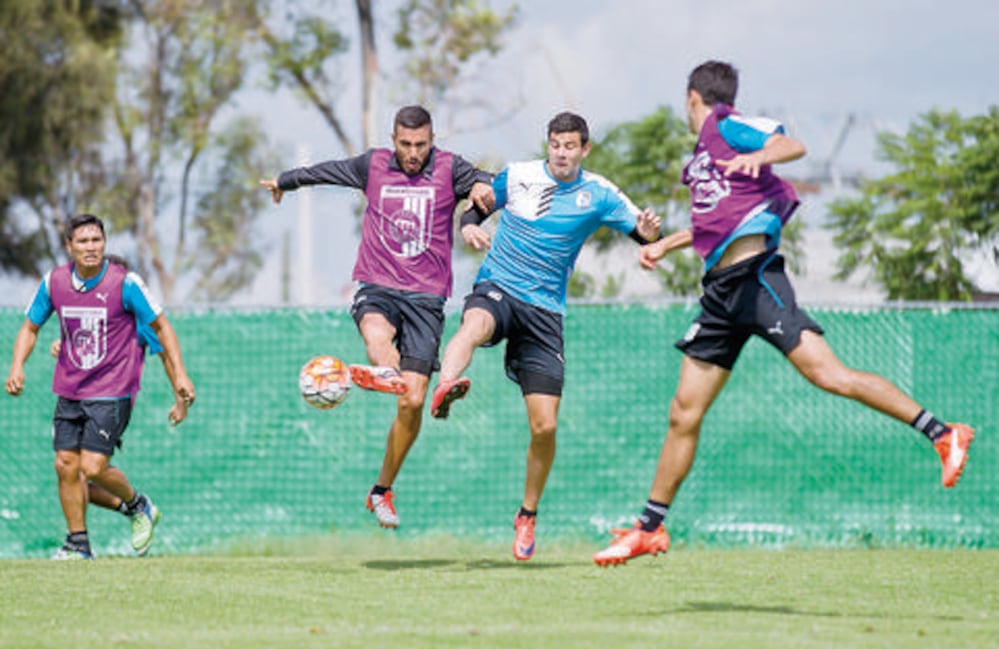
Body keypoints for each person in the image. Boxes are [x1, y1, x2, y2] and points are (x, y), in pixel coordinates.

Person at [592, 60, 975, 567]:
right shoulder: (704, 155)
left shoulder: (725, 124)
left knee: (829, 375)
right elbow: (722, 220)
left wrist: (764, 155)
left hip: (756, 281)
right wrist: (669, 244)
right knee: (683, 412)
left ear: (691, 98)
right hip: (720, 295)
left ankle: (943, 433)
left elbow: (791, 144)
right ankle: (649, 529)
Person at [428, 111, 662, 561]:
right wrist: (469, 226)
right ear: (547, 144)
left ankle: (527, 514)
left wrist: (649, 234)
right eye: (555, 144)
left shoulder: (599, 193)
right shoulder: (518, 176)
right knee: (472, 326)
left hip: (545, 313)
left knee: (546, 426)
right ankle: (446, 387)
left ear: (584, 149)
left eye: (570, 146)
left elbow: (643, 233)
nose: (561, 152)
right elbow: (474, 207)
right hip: (500, 285)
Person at [260, 105, 494, 530]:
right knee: (375, 333)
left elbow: (488, 186)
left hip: (426, 299)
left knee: (414, 402)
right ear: (393, 139)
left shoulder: (448, 168)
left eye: (420, 144)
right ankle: (385, 370)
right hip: (377, 284)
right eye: (405, 144)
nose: (412, 152)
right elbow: (326, 172)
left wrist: (476, 199)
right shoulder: (372, 164)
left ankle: (381, 489)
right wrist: (284, 181)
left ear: (431, 139)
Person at [5, 214, 196, 560]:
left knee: (91, 468)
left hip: (112, 392)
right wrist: (17, 366)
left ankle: (138, 506)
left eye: (97, 240)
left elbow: (163, 337)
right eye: (83, 241)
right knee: (66, 466)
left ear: (104, 244)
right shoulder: (55, 283)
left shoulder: (127, 288)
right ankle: (77, 544)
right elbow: (30, 327)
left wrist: (180, 383)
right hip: (70, 391)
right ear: (69, 246)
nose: (91, 247)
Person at [48, 254, 190, 543]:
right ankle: (86, 540)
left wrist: (180, 397)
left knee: (91, 468)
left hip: (111, 401)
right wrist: (62, 346)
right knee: (70, 474)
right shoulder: (91, 313)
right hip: (78, 400)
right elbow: (81, 347)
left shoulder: (138, 320)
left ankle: (138, 505)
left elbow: (165, 355)